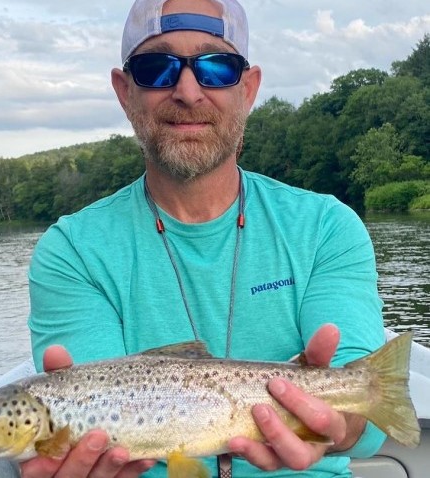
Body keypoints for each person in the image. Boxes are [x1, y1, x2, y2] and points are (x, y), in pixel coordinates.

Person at [21, 0, 387, 476]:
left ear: (248, 89)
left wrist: (340, 423)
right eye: (157, 68)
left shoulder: (326, 227)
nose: (188, 91)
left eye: (216, 67)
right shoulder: (71, 252)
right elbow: (100, 440)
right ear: (124, 92)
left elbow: (368, 423)